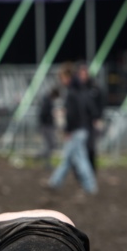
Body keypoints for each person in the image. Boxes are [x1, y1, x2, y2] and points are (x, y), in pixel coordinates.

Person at [47, 63, 98, 195]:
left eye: (62, 78)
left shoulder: (72, 92)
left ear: (67, 77)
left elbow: (72, 114)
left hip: (77, 130)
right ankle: (54, 182)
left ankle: (90, 186)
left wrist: (68, 130)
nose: (61, 81)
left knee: (80, 159)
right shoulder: (82, 90)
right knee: (69, 158)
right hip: (82, 129)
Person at [76, 62, 105, 174]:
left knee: (90, 148)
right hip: (79, 123)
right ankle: (82, 172)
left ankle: (91, 171)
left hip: (90, 123)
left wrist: (97, 117)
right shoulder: (77, 89)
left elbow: (101, 103)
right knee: (79, 149)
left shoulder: (94, 88)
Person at [37, 87, 59, 169]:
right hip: (47, 126)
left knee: (50, 145)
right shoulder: (47, 101)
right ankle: (42, 158)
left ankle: (42, 158)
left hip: (47, 125)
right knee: (50, 144)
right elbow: (44, 114)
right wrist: (50, 117)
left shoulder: (47, 100)